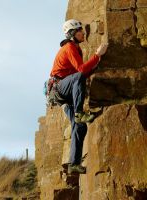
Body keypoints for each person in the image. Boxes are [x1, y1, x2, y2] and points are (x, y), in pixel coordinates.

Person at [49, 19, 108, 174]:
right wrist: (96, 55)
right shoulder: (69, 47)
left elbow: (82, 73)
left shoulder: (76, 49)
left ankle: (74, 163)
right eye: (80, 31)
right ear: (72, 34)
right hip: (60, 89)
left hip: (64, 94)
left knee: (79, 126)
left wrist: (98, 61)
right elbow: (81, 71)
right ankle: (79, 112)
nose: (83, 33)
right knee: (78, 77)